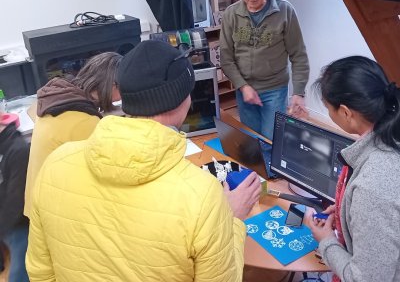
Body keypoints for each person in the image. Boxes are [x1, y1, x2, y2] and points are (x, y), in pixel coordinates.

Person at [26, 40, 261, 282]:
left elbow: (40, 273)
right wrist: (231, 220)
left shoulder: (55, 164)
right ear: (185, 99)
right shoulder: (202, 196)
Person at [307, 56, 400, 281]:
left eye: (328, 108)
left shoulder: (373, 185)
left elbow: (365, 279)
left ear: (346, 113)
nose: (328, 114)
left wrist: (326, 241)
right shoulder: (390, 137)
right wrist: (347, 211)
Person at [24, 51, 122, 218]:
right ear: (112, 85)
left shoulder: (58, 98)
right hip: (52, 211)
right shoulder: (84, 121)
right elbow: (104, 171)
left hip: (36, 200)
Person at [220, 0, 310, 140]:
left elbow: (299, 55)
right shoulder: (230, 14)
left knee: (271, 140)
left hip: (275, 89)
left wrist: (298, 92)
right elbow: (226, 58)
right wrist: (243, 86)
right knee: (251, 140)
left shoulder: (285, 11)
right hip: (244, 89)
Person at [0, 113, 30, 282]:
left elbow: (16, 199)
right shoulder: (4, 147)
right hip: (7, 226)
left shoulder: (18, 150)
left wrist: (2, 226)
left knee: (20, 274)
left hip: (19, 226)